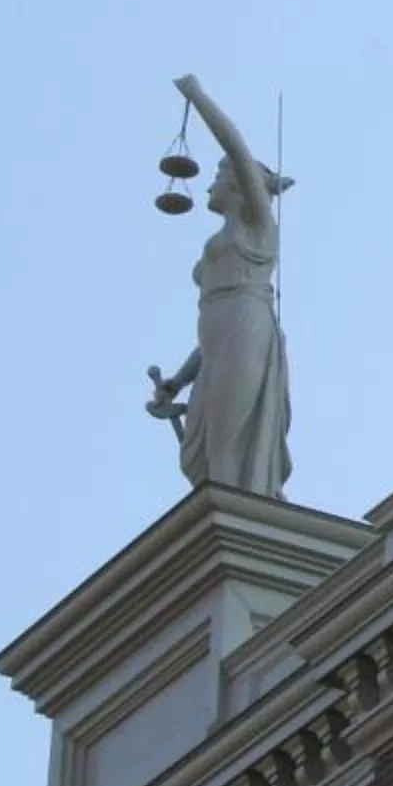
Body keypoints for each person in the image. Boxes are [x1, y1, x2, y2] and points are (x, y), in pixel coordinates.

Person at [146, 74, 292, 495]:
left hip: (247, 327)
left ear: (238, 186)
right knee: (210, 451)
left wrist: (197, 96)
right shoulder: (224, 240)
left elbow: (236, 149)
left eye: (216, 176)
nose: (210, 184)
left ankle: (234, 520)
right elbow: (211, 343)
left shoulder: (258, 230)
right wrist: (178, 381)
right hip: (221, 335)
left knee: (227, 446)